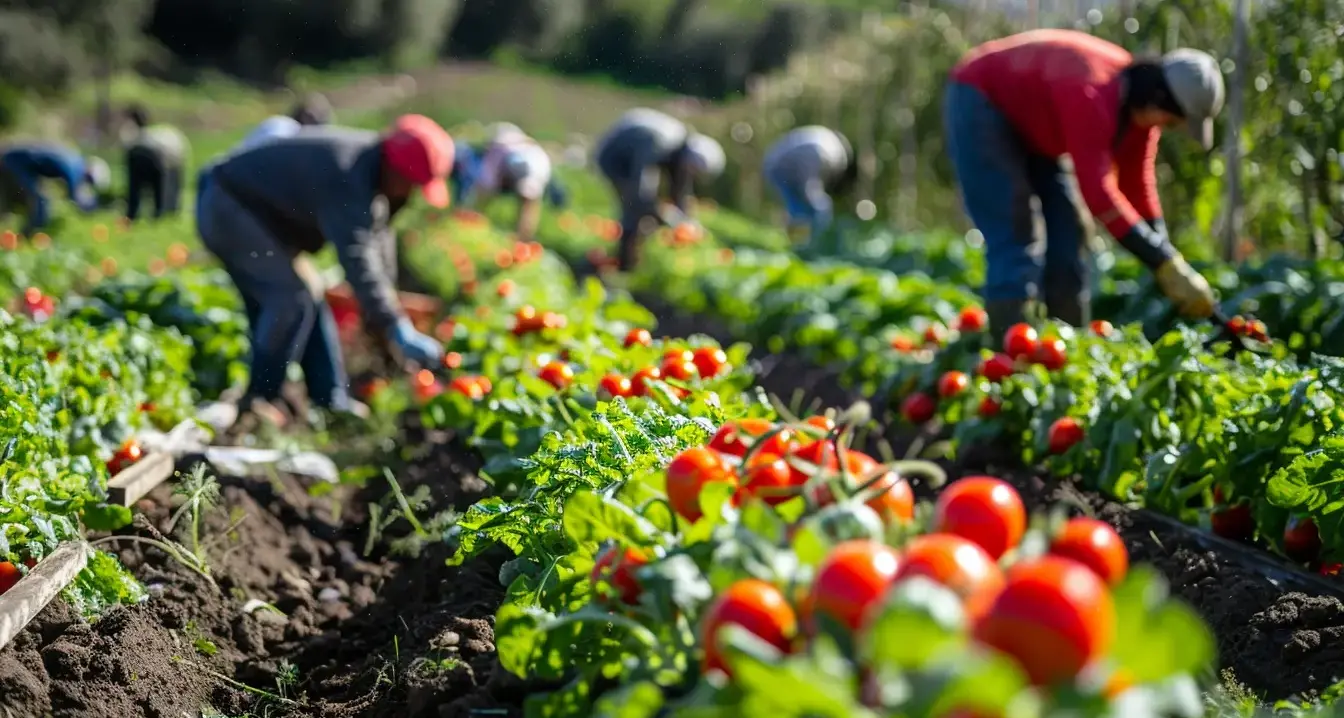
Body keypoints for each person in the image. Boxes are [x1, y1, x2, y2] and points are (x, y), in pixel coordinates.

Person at [945, 29, 1224, 333]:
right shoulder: (1093, 92)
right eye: (1172, 122)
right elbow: (1098, 193)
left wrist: (1169, 259)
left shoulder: (1139, 116)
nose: (1167, 129)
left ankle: (1066, 345)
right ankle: (1010, 354)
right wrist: (1161, 261)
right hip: (982, 99)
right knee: (1016, 231)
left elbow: (1137, 186)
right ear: (1158, 100)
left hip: (1035, 123)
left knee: (1069, 227)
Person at [195, 115, 452, 423]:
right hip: (228, 206)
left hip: (259, 216)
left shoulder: (372, 172)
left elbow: (379, 244)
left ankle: (330, 399)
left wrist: (388, 313)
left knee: (308, 293)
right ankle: (260, 398)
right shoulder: (348, 173)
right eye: (410, 184)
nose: (410, 193)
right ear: (395, 170)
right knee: (289, 299)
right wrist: (394, 323)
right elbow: (357, 255)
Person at [593, 108, 725, 270]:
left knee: (649, 211)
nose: (689, 173)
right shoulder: (661, 142)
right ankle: (624, 262)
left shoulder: (681, 148)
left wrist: (686, 220)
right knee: (634, 207)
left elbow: (681, 188)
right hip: (616, 159)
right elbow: (641, 191)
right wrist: (664, 214)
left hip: (636, 154)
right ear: (689, 158)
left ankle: (637, 258)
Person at [452, 122, 567, 242]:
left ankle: (521, 240)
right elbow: (487, 185)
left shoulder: (529, 160)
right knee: (526, 206)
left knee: (527, 207)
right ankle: (519, 240)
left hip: (526, 168)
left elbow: (486, 184)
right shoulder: (511, 149)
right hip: (527, 165)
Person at [762, 126, 858, 244]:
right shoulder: (837, 156)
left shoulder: (826, 139)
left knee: (798, 208)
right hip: (800, 160)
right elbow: (813, 180)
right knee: (816, 208)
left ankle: (798, 244)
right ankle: (811, 244)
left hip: (774, 162)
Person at [0, 143, 109, 235]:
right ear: (89, 172)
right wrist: (91, 207)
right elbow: (74, 195)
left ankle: (20, 235)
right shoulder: (75, 167)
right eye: (89, 181)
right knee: (40, 202)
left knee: (38, 199)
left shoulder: (75, 159)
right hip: (15, 162)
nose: (87, 184)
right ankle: (26, 237)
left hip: (19, 162)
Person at [123, 104, 190, 221]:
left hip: (150, 156)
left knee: (136, 189)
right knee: (161, 191)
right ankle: (160, 214)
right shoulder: (161, 135)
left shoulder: (134, 137)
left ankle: (133, 215)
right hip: (161, 158)